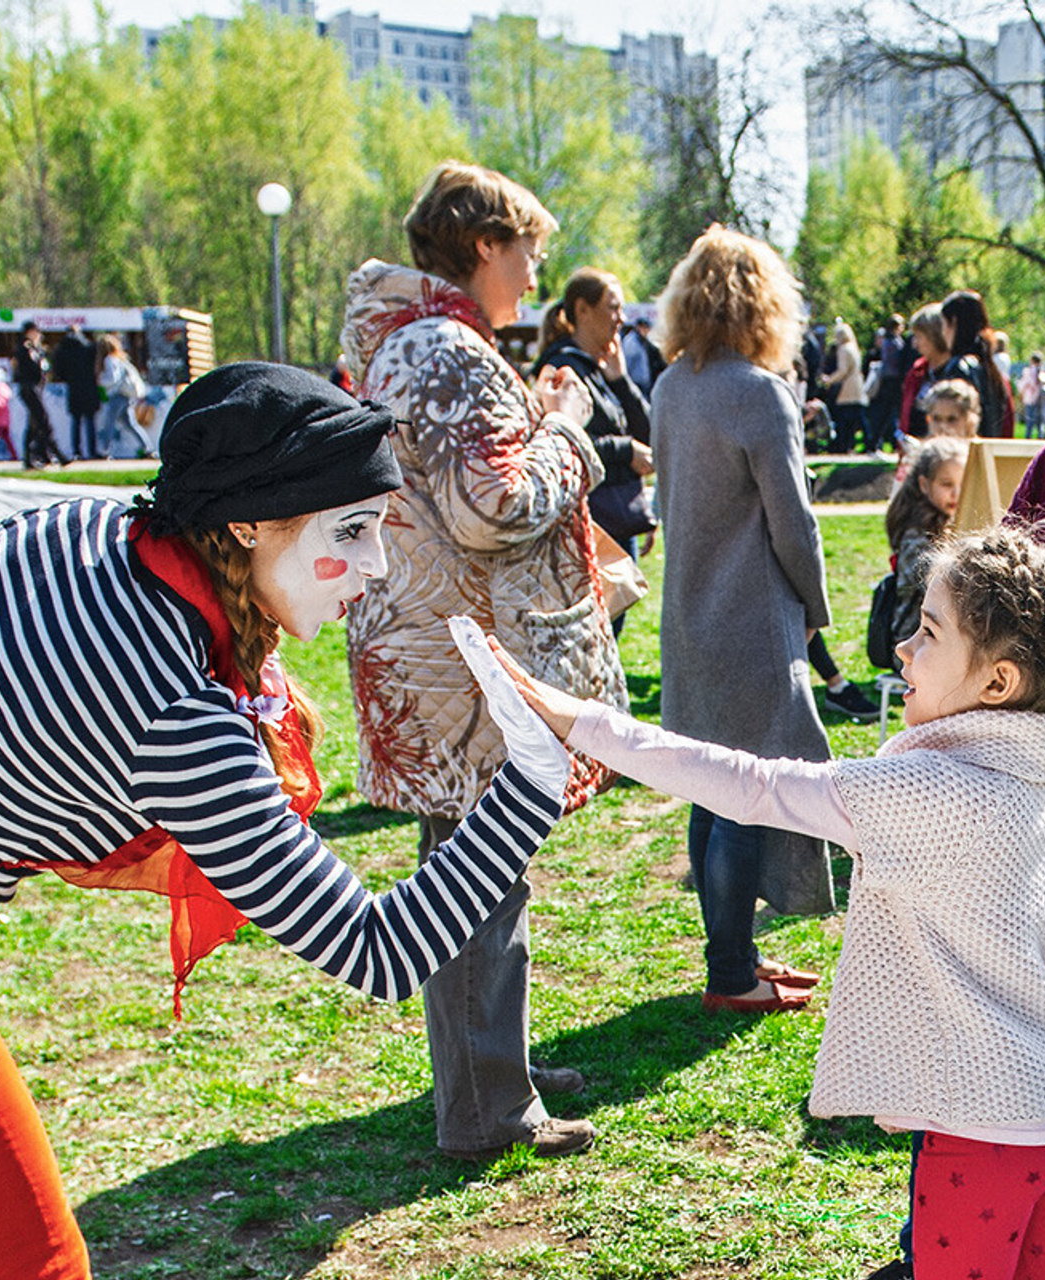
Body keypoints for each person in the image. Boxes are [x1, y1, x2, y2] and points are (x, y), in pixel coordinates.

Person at [0, 361, 569, 1279]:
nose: (375, 567)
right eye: (350, 532)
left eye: (379, 529)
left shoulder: (78, 525)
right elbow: (377, 952)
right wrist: (527, 788)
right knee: (29, 1267)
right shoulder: (178, 717)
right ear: (243, 527)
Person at [495, 522, 1045, 1280]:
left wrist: (584, 725)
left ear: (997, 682)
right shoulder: (1035, 770)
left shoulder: (933, 791)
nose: (903, 651)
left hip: (979, 1124)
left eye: (927, 632)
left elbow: (751, 786)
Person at [341, 160, 628, 1161]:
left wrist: (530, 410)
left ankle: (492, 1066)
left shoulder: (417, 343)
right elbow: (495, 505)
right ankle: (486, 1106)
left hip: (437, 649)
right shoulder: (446, 351)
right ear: (481, 246)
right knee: (477, 881)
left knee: (477, 874)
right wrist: (564, 428)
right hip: (463, 663)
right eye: (527, 250)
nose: (534, 269)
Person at [651, 224, 833, 1014]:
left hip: (689, 616)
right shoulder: (760, 394)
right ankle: (731, 974)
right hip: (751, 619)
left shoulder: (669, 387)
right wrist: (816, 612)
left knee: (710, 791)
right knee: (745, 794)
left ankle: (736, 956)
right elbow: (794, 524)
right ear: (765, 306)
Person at [532, 267, 656, 569]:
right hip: (588, 527)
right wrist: (625, 449)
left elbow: (650, 432)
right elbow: (558, 441)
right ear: (582, 310)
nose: (621, 318)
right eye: (612, 307)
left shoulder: (602, 371)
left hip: (616, 520)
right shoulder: (561, 369)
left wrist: (620, 380)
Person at [885, 436, 968, 654]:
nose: (955, 494)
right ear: (924, 484)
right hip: (913, 642)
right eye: (946, 484)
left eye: (963, 484)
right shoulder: (916, 535)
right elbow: (940, 584)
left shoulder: (957, 523)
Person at [939, 289, 1015, 438]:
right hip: (988, 455)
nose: (942, 333)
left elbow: (952, 427)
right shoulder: (991, 369)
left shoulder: (959, 368)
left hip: (964, 456)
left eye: (943, 324)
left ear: (953, 322)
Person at [14, 321, 67, 469]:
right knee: (43, 422)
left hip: (35, 389)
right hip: (30, 388)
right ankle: (57, 454)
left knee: (34, 425)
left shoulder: (33, 348)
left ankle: (33, 457)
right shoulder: (26, 347)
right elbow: (34, 367)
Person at [898, 304, 951, 441]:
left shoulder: (957, 372)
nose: (914, 344)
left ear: (935, 335)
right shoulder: (917, 372)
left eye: (918, 337)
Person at [53, 325, 101, 459]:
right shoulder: (89, 348)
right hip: (89, 386)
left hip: (73, 387)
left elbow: (58, 371)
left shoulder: (62, 350)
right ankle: (92, 451)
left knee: (76, 421)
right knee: (90, 421)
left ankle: (76, 451)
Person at [821, 321, 870, 453]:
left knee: (843, 418)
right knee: (858, 416)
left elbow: (842, 370)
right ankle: (867, 443)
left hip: (847, 386)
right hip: (857, 383)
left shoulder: (843, 349)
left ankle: (842, 446)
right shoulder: (854, 347)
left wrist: (829, 379)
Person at [98, 334, 144, 457]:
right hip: (127, 395)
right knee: (130, 423)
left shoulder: (109, 360)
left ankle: (104, 450)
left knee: (109, 423)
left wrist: (101, 381)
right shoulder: (120, 359)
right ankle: (147, 447)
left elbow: (113, 379)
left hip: (117, 395)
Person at [867, 314, 906, 451]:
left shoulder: (887, 342)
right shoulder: (894, 342)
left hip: (888, 380)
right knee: (891, 414)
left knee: (886, 414)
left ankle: (877, 442)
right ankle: (879, 443)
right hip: (893, 381)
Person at [1019, 351, 1045, 439]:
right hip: (1040, 398)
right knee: (1039, 420)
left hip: (1031, 398)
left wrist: (1021, 395)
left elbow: (1023, 384)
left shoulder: (1028, 371)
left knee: (1030, 419)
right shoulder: (1042, 371)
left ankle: (1029, 436)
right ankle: (1040, 436)